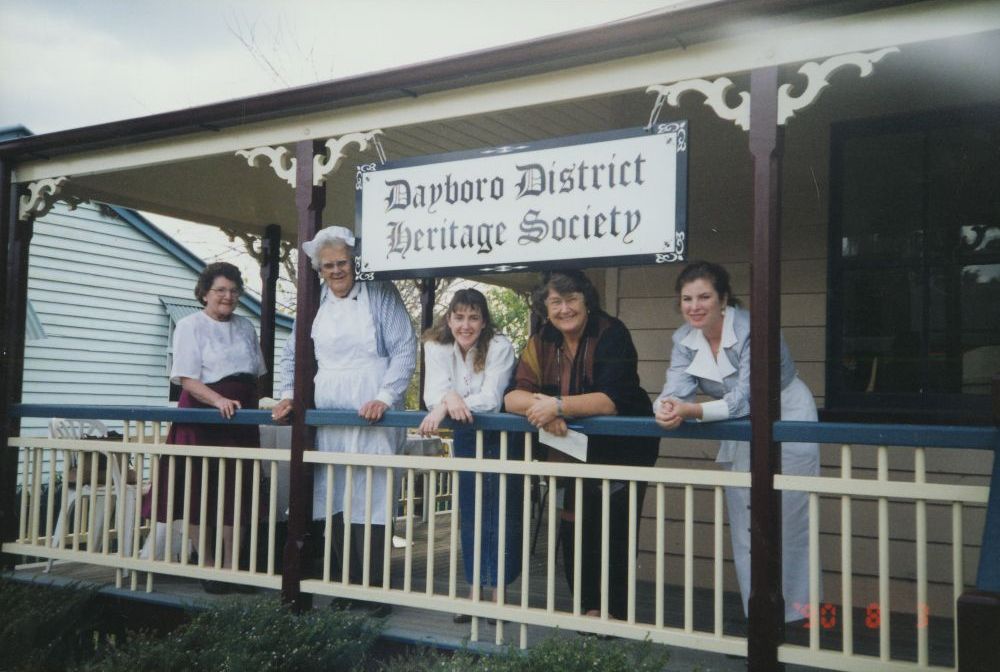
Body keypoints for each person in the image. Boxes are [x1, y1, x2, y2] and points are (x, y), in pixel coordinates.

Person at [654, 260, 820, 622]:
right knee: (746, 518)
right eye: (687, 299)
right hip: (738, 428)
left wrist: (692, 411)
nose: (694, 306)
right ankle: (760, 617)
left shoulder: (753, 330)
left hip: (784, 416)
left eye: (704, 297)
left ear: (724, 299)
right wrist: (665, 407)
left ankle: (796, 616)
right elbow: (676, 387)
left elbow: (748, 398)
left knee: (789, 518)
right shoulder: (684, 339)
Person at [272, 226, 416, 616]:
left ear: (355, 263)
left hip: (373, 411)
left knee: (371, 495)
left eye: (343, 263)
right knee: (335, 493)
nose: (337, 271)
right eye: (328, 266)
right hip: (330, 413)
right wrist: (288, 394)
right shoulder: (315, 302)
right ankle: (343, 585)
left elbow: (405, 347)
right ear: (319, 270)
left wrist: (386, 397)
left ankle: (373, 589)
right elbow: (292, 354)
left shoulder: (380, 295)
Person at [504, 270, 658, 620]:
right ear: (545, 306)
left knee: (613, 528)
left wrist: (557, 406)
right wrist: (541, 409)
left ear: (587, 301)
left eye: (571, 299)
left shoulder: (611, 332)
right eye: (555, 301)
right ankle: (587, 609)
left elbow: (611, 400)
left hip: (622, 450)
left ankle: (614, 614)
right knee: (574, 525)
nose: (564, 309)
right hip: (569, 447)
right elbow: (513, 395)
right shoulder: (541, 339)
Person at [157, 262, 266, 592]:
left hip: (241, 417)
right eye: (220, 290)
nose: (227, 296)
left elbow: (255, 374)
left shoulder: (246, 326)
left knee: (239, 490)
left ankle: (233, 567)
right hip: (202, 416)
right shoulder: (190, 325)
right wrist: (217, 400)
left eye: (234, 291)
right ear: (205, 292)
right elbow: (187, 378)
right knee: (198, 490)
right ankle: (206, 565)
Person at [418, 288, 521, 623]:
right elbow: (430, 392)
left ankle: (498, 598)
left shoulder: (500, 346)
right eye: (459, 317)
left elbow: (491, 399)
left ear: (484, 320)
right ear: (449, 319)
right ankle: (475, 594)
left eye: (473, 317)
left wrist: (448, 404)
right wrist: (448, 397)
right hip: (466, 434)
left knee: (500, 514)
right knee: (472, 514)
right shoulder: (435, 344)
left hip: (499, 436)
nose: (465, 325)